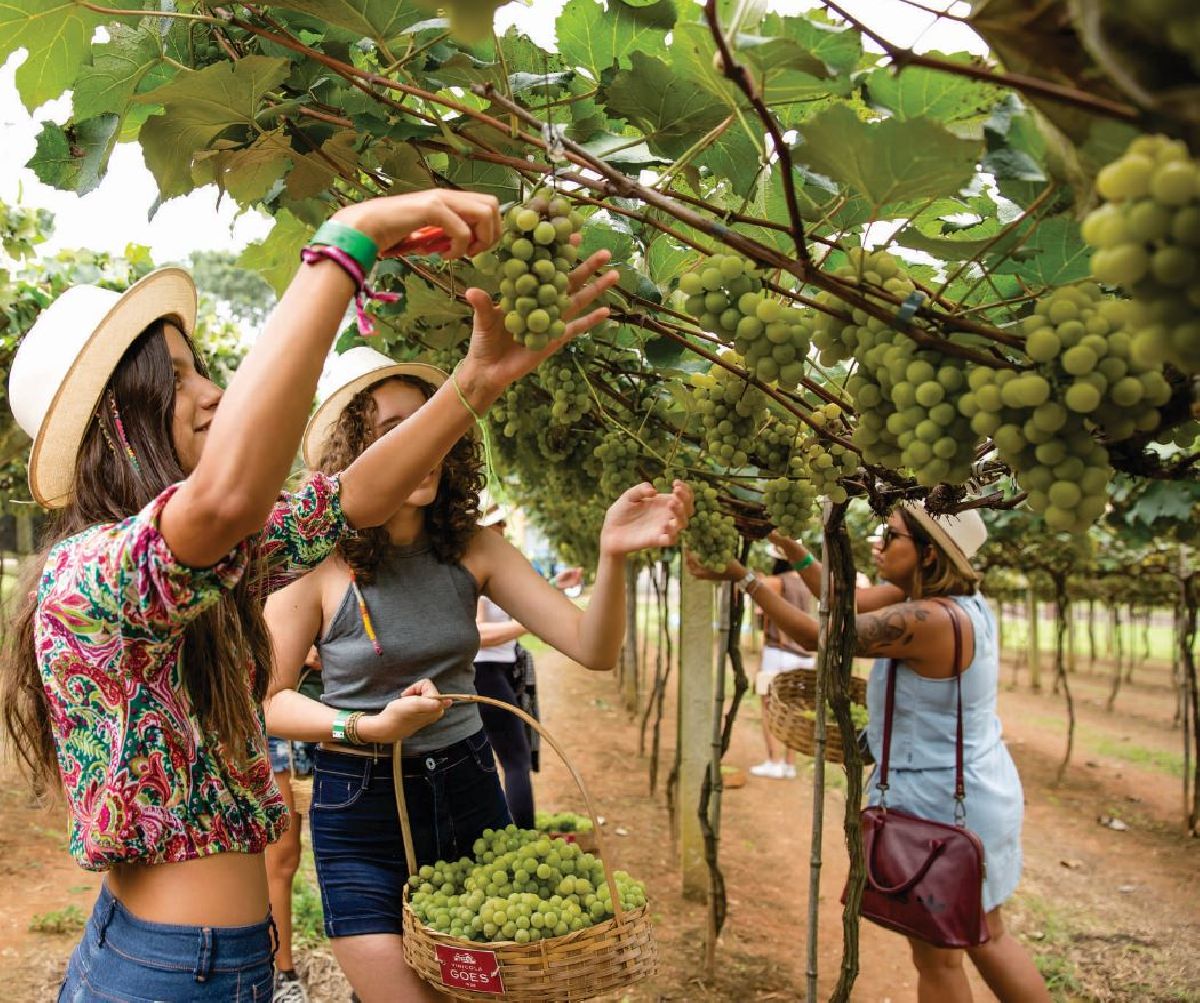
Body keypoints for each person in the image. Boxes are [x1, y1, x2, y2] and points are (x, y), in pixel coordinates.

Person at [0, 188, 616, 1000]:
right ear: (117, 418)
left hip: (209, 962)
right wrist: (348, 243)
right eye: (177, 378)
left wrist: (474, 384)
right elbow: (229, 497)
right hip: (166, 974)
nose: (212, 392)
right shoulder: (93, 576)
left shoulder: (194, 570)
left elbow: (348, 501)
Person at [263, 346, 692, 1003]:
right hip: (362, 809)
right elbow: (267, 701)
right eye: (392, 430)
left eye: (433, 423)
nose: (421, 444)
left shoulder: (473, 549)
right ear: (355, 452)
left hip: (468, 793)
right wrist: (363, 724)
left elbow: (591, 646)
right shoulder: (319, 567)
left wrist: (612, 557)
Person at [688, 507, 1049, 1003]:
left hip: (943, 805)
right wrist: (792, 548)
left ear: (927, 552)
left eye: (890, 534)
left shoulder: (931, 619)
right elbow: (846, 600)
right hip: (978, 791)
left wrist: (746, 578)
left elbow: (824, 637)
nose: (878, 543)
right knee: (989, 936)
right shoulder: (954, 602)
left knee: (937, 959)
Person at [472, 503, 581, 827]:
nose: (502, 530)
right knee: (515, 761)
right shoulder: (476, 571)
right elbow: (476, 634)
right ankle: (522, 838)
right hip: (485, 674)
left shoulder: (495, 568)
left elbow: (517, 602)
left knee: (500, 760)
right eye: (496, 525)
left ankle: (505, 832)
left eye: (503, 524)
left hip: (499, 672)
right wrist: (527, 625)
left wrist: (554, 586)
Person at [265, 647, 322, 1002]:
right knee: (282, 855)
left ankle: (366, 974)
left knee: (354, 849)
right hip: (280, 723)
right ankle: (282, 971)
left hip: (349, 712)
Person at [749, 551, 815, 780]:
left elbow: (753, 591)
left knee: (768, 705)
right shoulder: (806, 584)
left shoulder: (776, 582)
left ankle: (773, 761)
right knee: (794, 710)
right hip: (804, 656)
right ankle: (789, 765)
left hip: (778, 653)